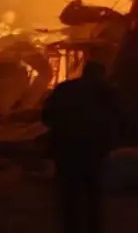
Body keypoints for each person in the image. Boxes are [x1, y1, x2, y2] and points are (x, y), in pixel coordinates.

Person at [42, 61, 121, 233]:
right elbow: (123, 118)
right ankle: (94, 227)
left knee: (69, 194)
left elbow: (46, 116)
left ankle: (71, 228)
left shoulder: (64, 89)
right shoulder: (108, 93)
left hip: (66, 149)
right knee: (93, 194)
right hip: (94, 150)